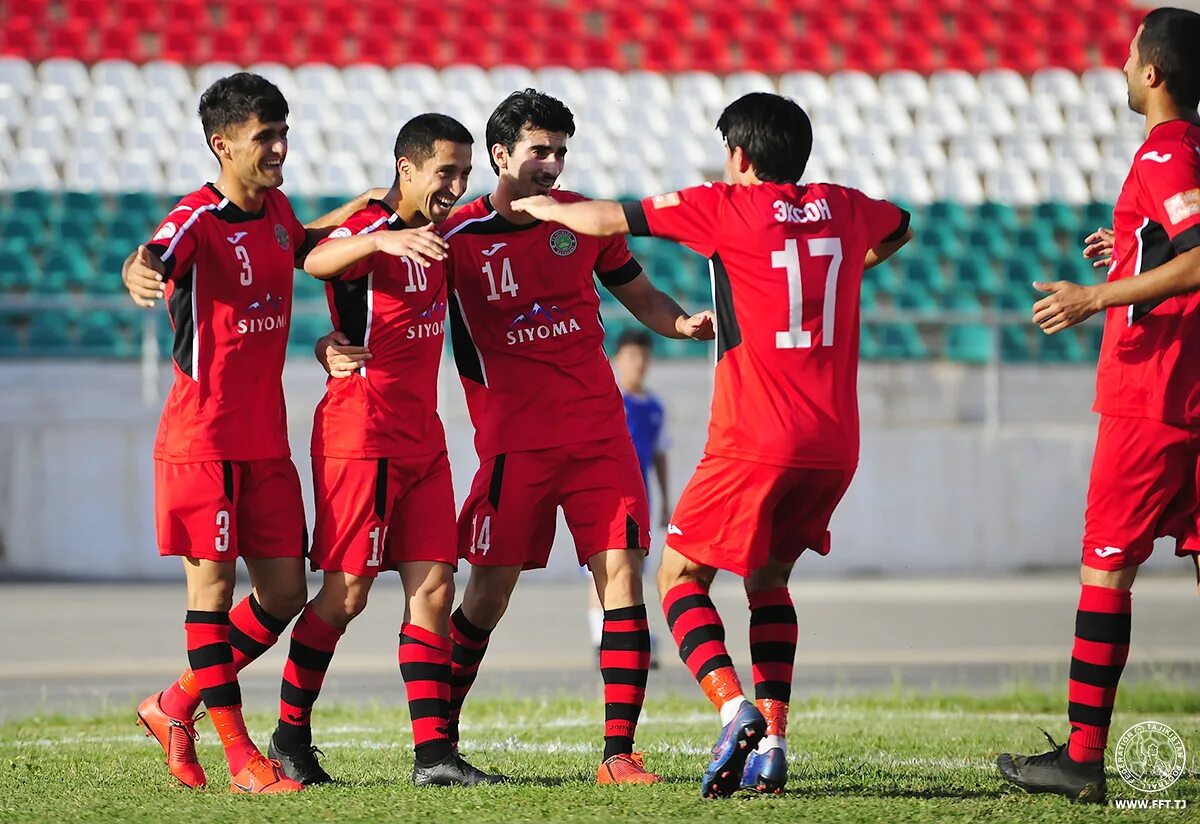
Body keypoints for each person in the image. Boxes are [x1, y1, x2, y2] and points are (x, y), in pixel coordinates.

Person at [511, 91, 913, 798]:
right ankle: (776, 745)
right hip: (834, 443)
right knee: (769, 582)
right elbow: (902, 227)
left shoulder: (729, 206)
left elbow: (611, 218)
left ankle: (734, 708)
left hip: (756, 436)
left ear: (740, 155)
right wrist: (841, 272)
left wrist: (542, 207)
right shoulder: (846, 206)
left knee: (677, 578)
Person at [118, 72, 436, 794]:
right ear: (222, 144)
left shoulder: (279, 212)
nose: (279, 148)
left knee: (286, 593)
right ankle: (241, 759)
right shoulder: (196, 219)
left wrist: (356, 218)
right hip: (203, 441)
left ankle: (176, 703)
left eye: (282, 133)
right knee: (212, 588)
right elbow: (154, 254)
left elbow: (309, 245)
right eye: (265, 137)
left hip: (266, 441)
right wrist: (135, 269)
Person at [436, 89, 714, 785]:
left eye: (561, 151)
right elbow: (384, 286)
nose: (553, 164)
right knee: (487, 594)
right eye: (539, 150)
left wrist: (680, 324)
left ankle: (618, 754)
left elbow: (640, 293)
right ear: (500, 155)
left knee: (621, 575)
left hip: (598, 431)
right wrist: (337, 341)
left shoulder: (582, 219)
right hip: (515, 442)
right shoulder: (457, 239)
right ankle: (437, 741)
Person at [998, 8, 1200, 804]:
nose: (1119, 70)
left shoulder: (1163, 148)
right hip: (1188, 391)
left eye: (1126, 60)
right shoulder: (1191, 150)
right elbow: (1174, 245)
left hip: (1153, 397)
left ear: (1152, 73)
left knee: (1106, 568)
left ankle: (1082, 758)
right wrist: (1124, 246)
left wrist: (1096, 296)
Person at [280, 113, 503, 788]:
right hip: (362, 433)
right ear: (407, 168)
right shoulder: (375, 225)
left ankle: (434, 757)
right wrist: (387, 237)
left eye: (465, 173)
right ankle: (289, 739)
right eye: (447, 172)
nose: (457, 184)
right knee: (346, 595)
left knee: (434, 587)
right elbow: (313, 258)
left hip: (422, 436)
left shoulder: (440, 234)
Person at [586, 329, 671, 660]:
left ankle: (628, 635)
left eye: (644, 357)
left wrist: (664, 499)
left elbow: (661, 454)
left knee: (632, 568)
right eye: (632, 357)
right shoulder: (608, 402)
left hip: (641, 495)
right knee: (603, 568)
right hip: (607, 495)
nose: (639, 364)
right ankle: (600, 639)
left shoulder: (654, 407)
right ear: (617, 360)